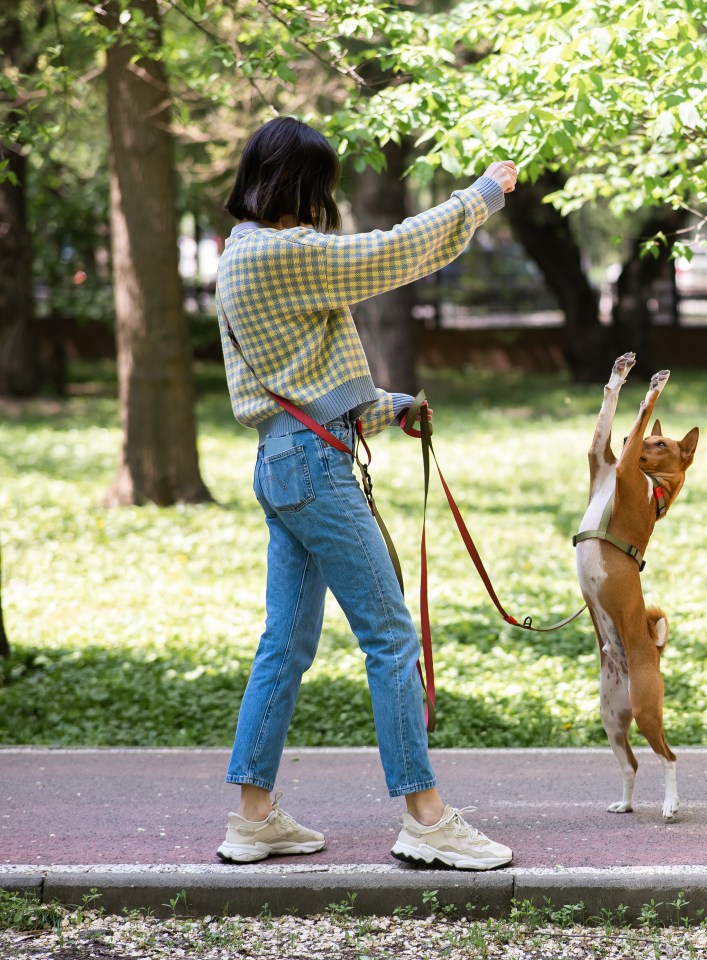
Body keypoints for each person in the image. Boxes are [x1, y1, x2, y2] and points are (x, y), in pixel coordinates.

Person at [213, 116, 517, 870]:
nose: (325, 201)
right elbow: (392, 253)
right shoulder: (284, 253)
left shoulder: (240, 255)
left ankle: (253, 818)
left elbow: (291, 386)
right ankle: (426, 816)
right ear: (297, 183)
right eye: (319, 185)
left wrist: (388, 405)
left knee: (283, 646)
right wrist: (481, 196)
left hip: (285, 462)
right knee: (389, 637)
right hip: (312, 472)